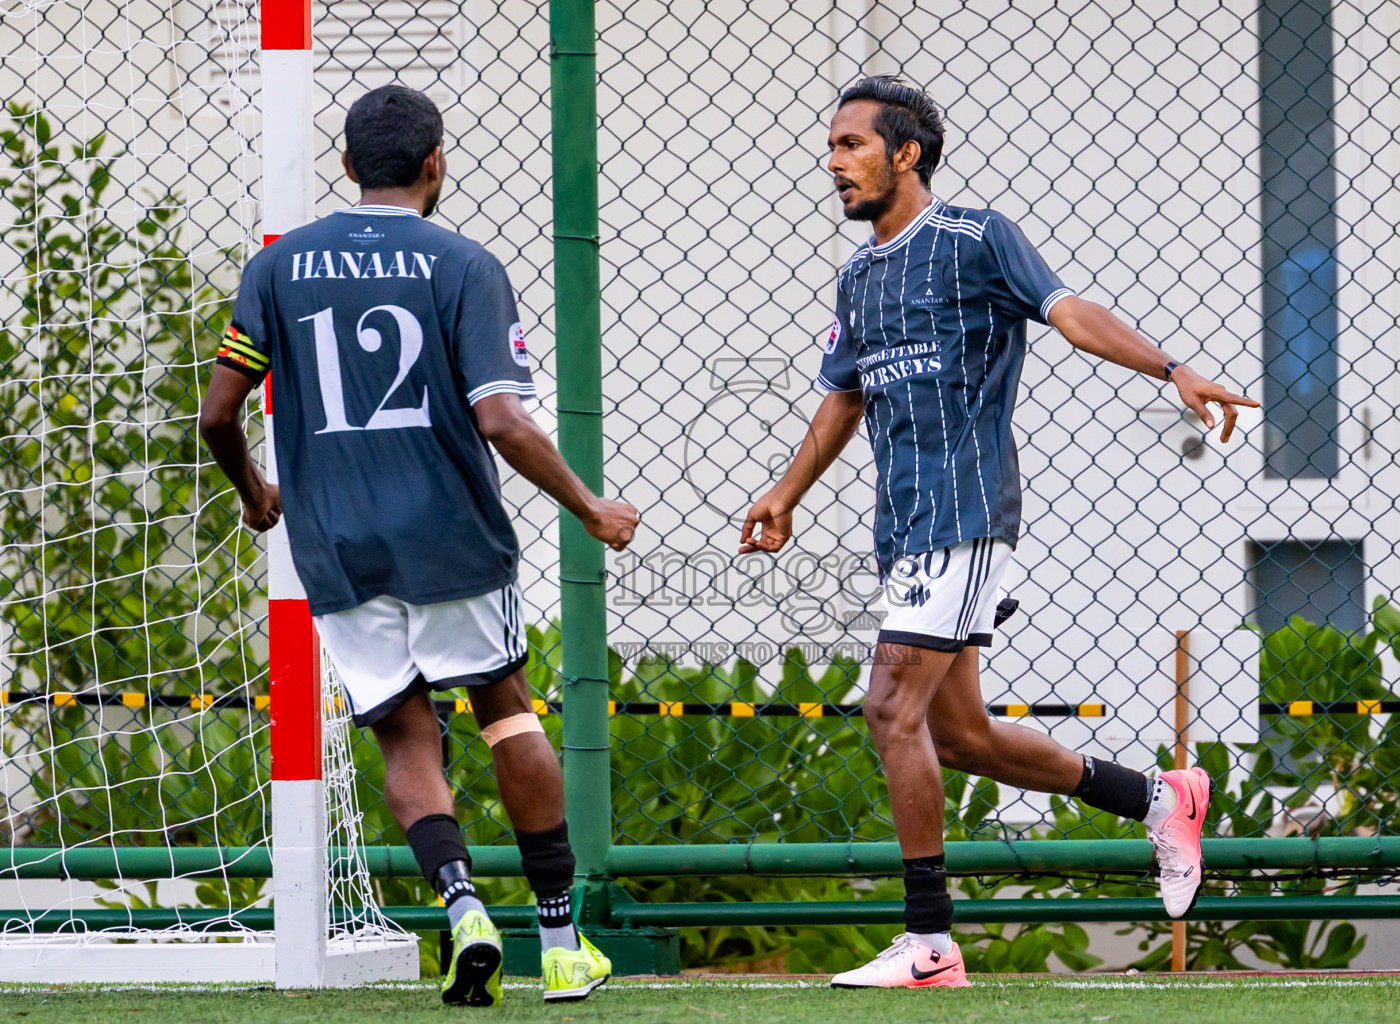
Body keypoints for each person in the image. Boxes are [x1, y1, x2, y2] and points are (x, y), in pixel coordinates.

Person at [740, 75, 1260, 989]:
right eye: (830, 147)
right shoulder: (859, 276)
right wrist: (784, 493)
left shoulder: (977, 239)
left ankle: (931, 940)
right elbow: (845, 394)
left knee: (888, 708)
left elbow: (1070, 314)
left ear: (907, 153)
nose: (833, 163)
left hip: (967, 513)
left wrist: (1172, 367)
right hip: (902, 528)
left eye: (851, 145)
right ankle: (1158, 797)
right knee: (963, 737)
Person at [199, 84, 638, 1006]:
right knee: (504, 706)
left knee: (403, 732)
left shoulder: (278, 268)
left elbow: (216, 415)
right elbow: (502, 419)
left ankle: (461, 905)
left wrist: (255, 493)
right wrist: (589, 506)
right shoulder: (462, 263)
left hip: (337, 542)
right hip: (449, 535)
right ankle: (559, 944)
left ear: (350, 166)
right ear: (436, 162)